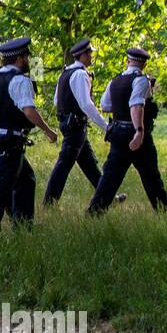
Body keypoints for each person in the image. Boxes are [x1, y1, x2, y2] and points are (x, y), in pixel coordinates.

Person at [0, 37, 58, 228]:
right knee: (1, 188)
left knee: (25, 179)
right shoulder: (19, 80)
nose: (29, 60)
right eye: (27, 56)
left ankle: (22, 225)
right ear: (20, 58)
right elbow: (29, 111)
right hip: (10, 141)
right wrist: (48, 131)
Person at [88, 47, 167, 214]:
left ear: (128, 61)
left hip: (118, 132)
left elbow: (105, 106)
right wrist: (139, 131)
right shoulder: (141, 80)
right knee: (151, 176)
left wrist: (121, 107)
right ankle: (165, 211)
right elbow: (136, 105)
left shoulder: (115, 80)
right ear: (143, 63)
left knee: (110, 177)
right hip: (134, 134)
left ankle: (94, 212)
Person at [43, 38, 124, 207]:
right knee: (64, 164)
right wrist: (105, 126)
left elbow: (57, 101)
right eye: (89, 53)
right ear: (82, 55)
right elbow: (87, 105)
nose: (92, 55)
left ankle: (107, 198)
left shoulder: (64, 73)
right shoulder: (80, 74)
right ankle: (49, 203)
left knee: (90, 165)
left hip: (69, 124)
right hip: (76, 126)